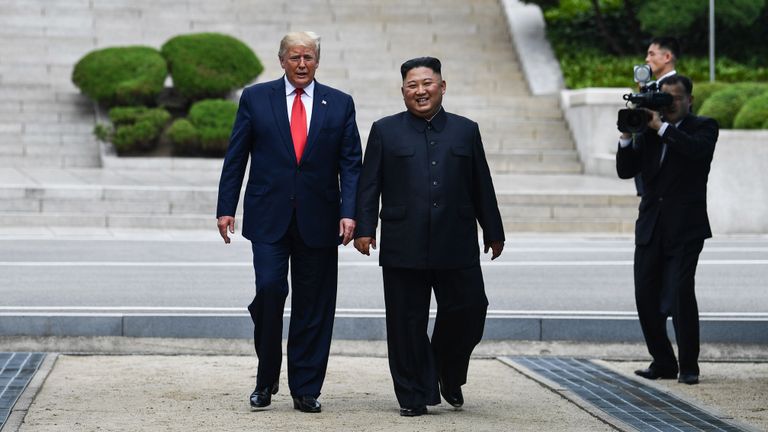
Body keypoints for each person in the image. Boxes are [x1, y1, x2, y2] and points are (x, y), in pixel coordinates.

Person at [216, 31, 362, 413]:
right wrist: (225, 206)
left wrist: (350, 212)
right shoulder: (256, 98)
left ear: (317, 61)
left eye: (309, 58)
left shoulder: (340, 104)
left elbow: (351, 163)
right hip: (268, 217)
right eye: (295, 57)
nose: (302, 64)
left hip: (320, 216)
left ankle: (306, 388)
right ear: (281, 60)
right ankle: (266, 378)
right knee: (269, 290)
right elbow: (237, 156)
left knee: (314, 305)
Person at [354, 57, 505, 416]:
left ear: (442, 86)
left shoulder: (466, 130)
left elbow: (481, 183)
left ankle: (447, 372)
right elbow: (369, 184)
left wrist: (494, 230)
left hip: (456, 240)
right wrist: (364, 228)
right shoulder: (385, 130)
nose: (420, 91)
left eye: (427, 83)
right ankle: (412, 395)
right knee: (405, 322)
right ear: (403, 90)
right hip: (403, 241)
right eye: (412, 85)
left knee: (471, 309)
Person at [616, 75, 717, 386]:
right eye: (665, 97)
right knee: (645, 297)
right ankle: (663, 361)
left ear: (690, 100)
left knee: (679, 295)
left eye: (675, 98)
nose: (669, 103)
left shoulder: (703, 127)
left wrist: (660, 127)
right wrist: (626, 136)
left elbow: (695, 152)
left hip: (685, 228)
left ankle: (689, 365)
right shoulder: (649, 130)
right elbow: (625, 171)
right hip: (650, 226)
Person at [635, 36, 680, 196]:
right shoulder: (654, 87)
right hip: (650, 175)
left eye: (652, 54)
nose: (647, 59)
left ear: (667, 57)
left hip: (665, 176)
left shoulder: (677, 87)